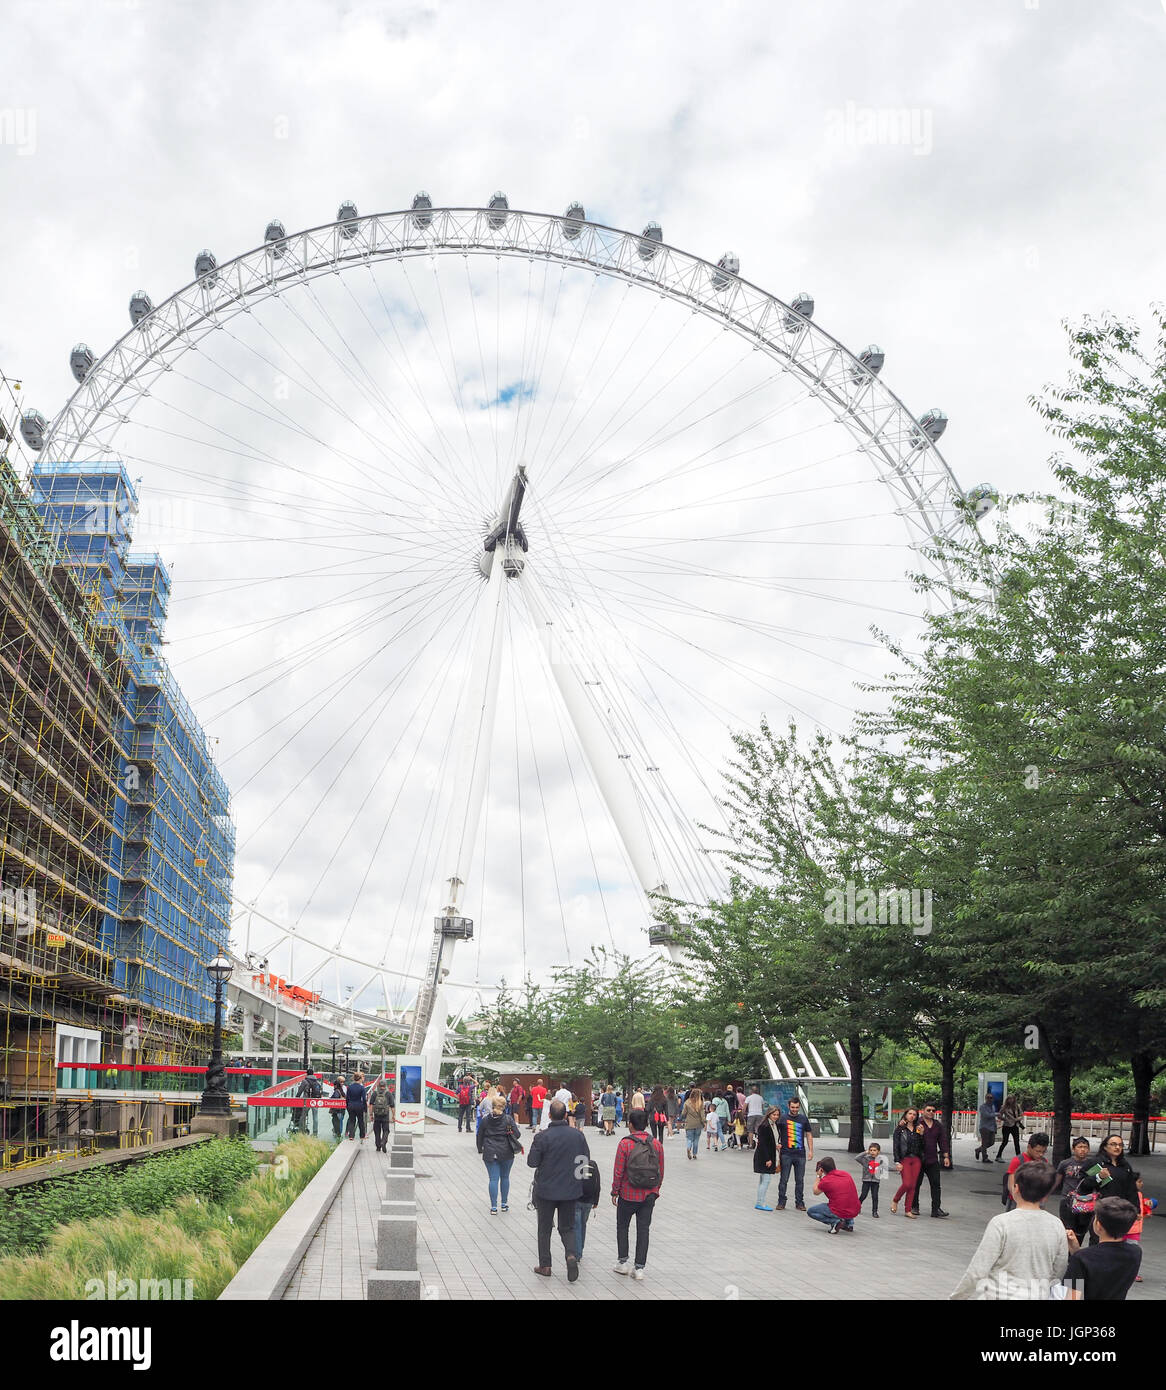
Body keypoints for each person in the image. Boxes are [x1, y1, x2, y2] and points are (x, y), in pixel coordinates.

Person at [950, 1162, 1070, 1300]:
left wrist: (957, 1297)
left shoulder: (1001, 1223)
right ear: (1046, 1195)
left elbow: (978, 1270)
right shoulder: (1056, 1225)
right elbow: (1059, 1269)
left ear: (1016, 1188)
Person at [527, 1099, 590, 1280]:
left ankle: (545, 1265)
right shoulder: (577, 1136)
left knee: (544, 1228)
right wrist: (580, 1183)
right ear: (565, 1115)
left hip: (546, 1190)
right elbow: (585, 1161)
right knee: (567, 1227)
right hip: (570, 1189)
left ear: (548, 1115)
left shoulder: (542, 1137)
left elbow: (532, 1162)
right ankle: (570, 1255)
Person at [611, 1108, 664, 1280]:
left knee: (622, 1227)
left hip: (628, 1193)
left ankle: (622, 1263)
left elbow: (618, 1170)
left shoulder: (625, 1143)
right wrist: (656, 1189)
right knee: (643, 1230)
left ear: (630, 1125)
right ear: (647, 1124)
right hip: (649, 1194)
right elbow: (660, 1170)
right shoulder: (655, 1143)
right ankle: (639, 1268)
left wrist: (615, 1191)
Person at [1062, 1197, 1142, 1300]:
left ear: (1098, 1225)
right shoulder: (1135, 1252)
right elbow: (1102, 1262)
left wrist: (1077, 1254)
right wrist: (1077, 1251)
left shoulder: (1081, 1259)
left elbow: (1072, 1297)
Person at [1075, 1134, 1140, 1244]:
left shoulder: (1125, 1165)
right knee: (1098, 1241)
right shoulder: (1095, 1162)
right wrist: (1098, 1177)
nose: (1117, 1147)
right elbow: (1082, 1185)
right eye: (1113, 1144)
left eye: (1120, 1145)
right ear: (1105, 1146)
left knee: (1117, 1241)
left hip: (1119, 1210)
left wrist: (1136, 1209)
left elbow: (1131, 1190)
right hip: (1100, 1209)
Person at [478, 1095, 523, 1213]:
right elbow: (517, 1135)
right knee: (505, 1177)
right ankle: (504, 1203)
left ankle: (493, 1207)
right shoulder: (508, 1119)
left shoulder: (486, 1119)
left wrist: (480, 1148)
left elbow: (479, 1135)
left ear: (493, 1105)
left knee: (493, 1179)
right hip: (506, 1151)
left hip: (490, 1151)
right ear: (504, 1106)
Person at [1053, 1136, 1094, 1244]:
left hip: (1085, 1202)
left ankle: (1075, 1251)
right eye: (1080, 1147)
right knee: (1068, 1230)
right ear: (1073, 1149)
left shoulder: (1093, 1165)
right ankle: (1068, 1253)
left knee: (1081, 1231)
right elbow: (1057, 1181)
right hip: (1067, 1201)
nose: (1083, 1150)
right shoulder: (1065, 1164)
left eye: (1085, 1147)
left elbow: (1100, 1182)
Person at [775, 1097, 813, 1211]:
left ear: (799, 1107)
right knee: (784, 1179)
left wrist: (811, 1150)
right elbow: (774, 1132)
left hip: (800, 1154)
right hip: (786, 1154)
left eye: (797, 1107)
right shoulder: (782, 1118)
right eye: (793, 1107)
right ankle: (781, 1202)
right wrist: (777, 1145)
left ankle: (800, 1202)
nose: (795, 1109)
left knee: (800, 1180)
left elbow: (809, 1134)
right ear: (788, 1106)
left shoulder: (803, 1118)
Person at [913, 1103, 950, 1218]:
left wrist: (946, 1156)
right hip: (919, 1159)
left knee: (936, 1184)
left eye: (933, 1110)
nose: (931, 1112)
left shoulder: (937, 1125)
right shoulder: (917, 1123)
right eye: (928, 1110)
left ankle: (936, 1209)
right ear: (923, 1111)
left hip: (932, 1159)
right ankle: (914, 1206)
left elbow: (943, 1141)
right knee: (916, 1184)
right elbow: (914, 1140)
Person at [807, 1156, 860, 1233]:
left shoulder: (826, 1181)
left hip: (839, 1210)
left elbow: (815, 1192)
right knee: (846, 1200)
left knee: (811, 1211)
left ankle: (835, 1221)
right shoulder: (846, 1174)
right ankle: (848, 1224)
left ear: (822, 1169)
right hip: (855, 1209)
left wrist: (818, 1176)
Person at [1003, 1132, 1049, 1211]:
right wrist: (1021, 1203)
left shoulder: (1044, 1162)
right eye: (1038, 1151)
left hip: (1036, 1203)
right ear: (1029, 1147)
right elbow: (1011, 1186)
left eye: (1043, 1152)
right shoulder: (1018, 1161)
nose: (1041, 1154)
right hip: (1017, 1202)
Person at [890, 1107, 923, 1217]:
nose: (912, 1116)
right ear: (905, 1115)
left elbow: (922, 1146)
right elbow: (896, 1146)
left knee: (913, 1186)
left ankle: (908, 1210)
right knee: (907, 1183)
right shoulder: (900, 1129)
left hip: (916, 1159)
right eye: (910, 1113)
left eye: (914, 1114)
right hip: (905, 1159)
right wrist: (897, 1161)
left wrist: (922, 1135)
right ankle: (895, 1199)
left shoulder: (918, 1128)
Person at [753, 1105, 781, 1210]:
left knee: (763, 1180)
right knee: (766, 1180)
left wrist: (776, 1145)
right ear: (769, 1114)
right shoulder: (764, 1126)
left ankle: (760, 1201)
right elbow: (762, 1144)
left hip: (770, 1155)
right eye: (774, 1114)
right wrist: (767, 1159)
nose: (776, 1116)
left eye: (777, 1115)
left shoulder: (774, 1125)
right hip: (765, 1157)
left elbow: (772, 1140)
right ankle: (760, 1203)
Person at [575, 1149, 601, 1260]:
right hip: (589, 1201)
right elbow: (597, 1184)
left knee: (576, 1226)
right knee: (583, 1224)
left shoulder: (575, 1164)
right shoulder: (593, 1164)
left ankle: (577, 1253)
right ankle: (580, 1248)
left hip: (576, 1199)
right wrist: (596, 1201)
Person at [855, 1142, 887, 1217]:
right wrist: (865, 1152)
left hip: (876, 1181)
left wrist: (896, 1169)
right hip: (866, 1180)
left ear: (878, 1151)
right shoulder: (865, 1159)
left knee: (875, 1196)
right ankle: (857, 1207)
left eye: (874, 1150)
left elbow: (886, 1167)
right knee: (863, 1195)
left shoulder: (880, 1160)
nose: (872, 1152)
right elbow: (857, 1158)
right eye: (871, 1150)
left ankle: (874, 1211)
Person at [993, 1093, 1022, 1161]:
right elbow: (999, 1115)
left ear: (1014, 1099)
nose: (1010, 1100)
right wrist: (1005, 1119)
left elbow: (1021, 1115)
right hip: (1007, 1126)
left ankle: (1019, 1157)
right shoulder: (1004, 1107)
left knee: (1017, 1142)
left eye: (1011, 1098)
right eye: (1009, 1099)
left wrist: (1017, 1119)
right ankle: (998, 1156)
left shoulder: (1017, 1107)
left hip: (1015, 1126)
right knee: (1005, 1141)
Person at [370, 1078, 395, 1151]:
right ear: (385, 1085)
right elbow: (392, 1106)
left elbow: (371, 1104)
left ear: (379, 1085)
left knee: (377, 1130)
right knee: (386, 1130)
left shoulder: (375, 1093)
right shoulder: (388, 1093)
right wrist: (393, 1115)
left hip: (377, 1115)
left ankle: (378, 1146)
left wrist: (371, 1114)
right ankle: (383, 1142)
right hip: (385, 1116)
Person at [296, 1068, 323, 1135]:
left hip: (306, 1101)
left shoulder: (305, 1081)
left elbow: (300, 1091)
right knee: (315, 1116)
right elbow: (320, 1092)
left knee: (303, 1116)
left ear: (307, 1073)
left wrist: (297, 1098)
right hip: (315, 1100)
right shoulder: (317, 1082)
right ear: (313, 1073)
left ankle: (301, 1131)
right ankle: (315, 1132)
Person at [973, 1094, 998, 1163]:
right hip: (984, 1127)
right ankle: (985, 1157)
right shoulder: (982, 1107)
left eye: (991, 1098)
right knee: (984, 1143)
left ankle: (978, 1150)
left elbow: (993, 1119)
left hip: (991, 1127)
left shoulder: (993, 1107)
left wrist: (995, 1128)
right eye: (988, 1098)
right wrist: (996, 1114)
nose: (990, 1099)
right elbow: (986, 1115)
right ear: (985, 1099)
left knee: (991, 1142)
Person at [344, 1071, 368, 1141]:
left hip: (351, 1105)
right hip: (359, 1105)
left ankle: (351, 1136)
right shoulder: (362, 1088)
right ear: (360, 1079)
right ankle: (362, 1136)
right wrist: (365, 1108)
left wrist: (347, 1106)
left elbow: (347, 1098)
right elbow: (364, 1099)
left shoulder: (350, 1087)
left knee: (352, 1120)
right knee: (361, 1121)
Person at [682, 1087, 704, 1159]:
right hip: (698, 1124)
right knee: (696, 1139)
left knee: (689, 1139)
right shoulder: (700, 1103)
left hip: (689, 1124)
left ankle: (688, 1147)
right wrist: (704, 1123)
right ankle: (694, 1154)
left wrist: (682, 1118)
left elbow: (683, 1113)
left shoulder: (687, 1102)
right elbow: (702, 1115)